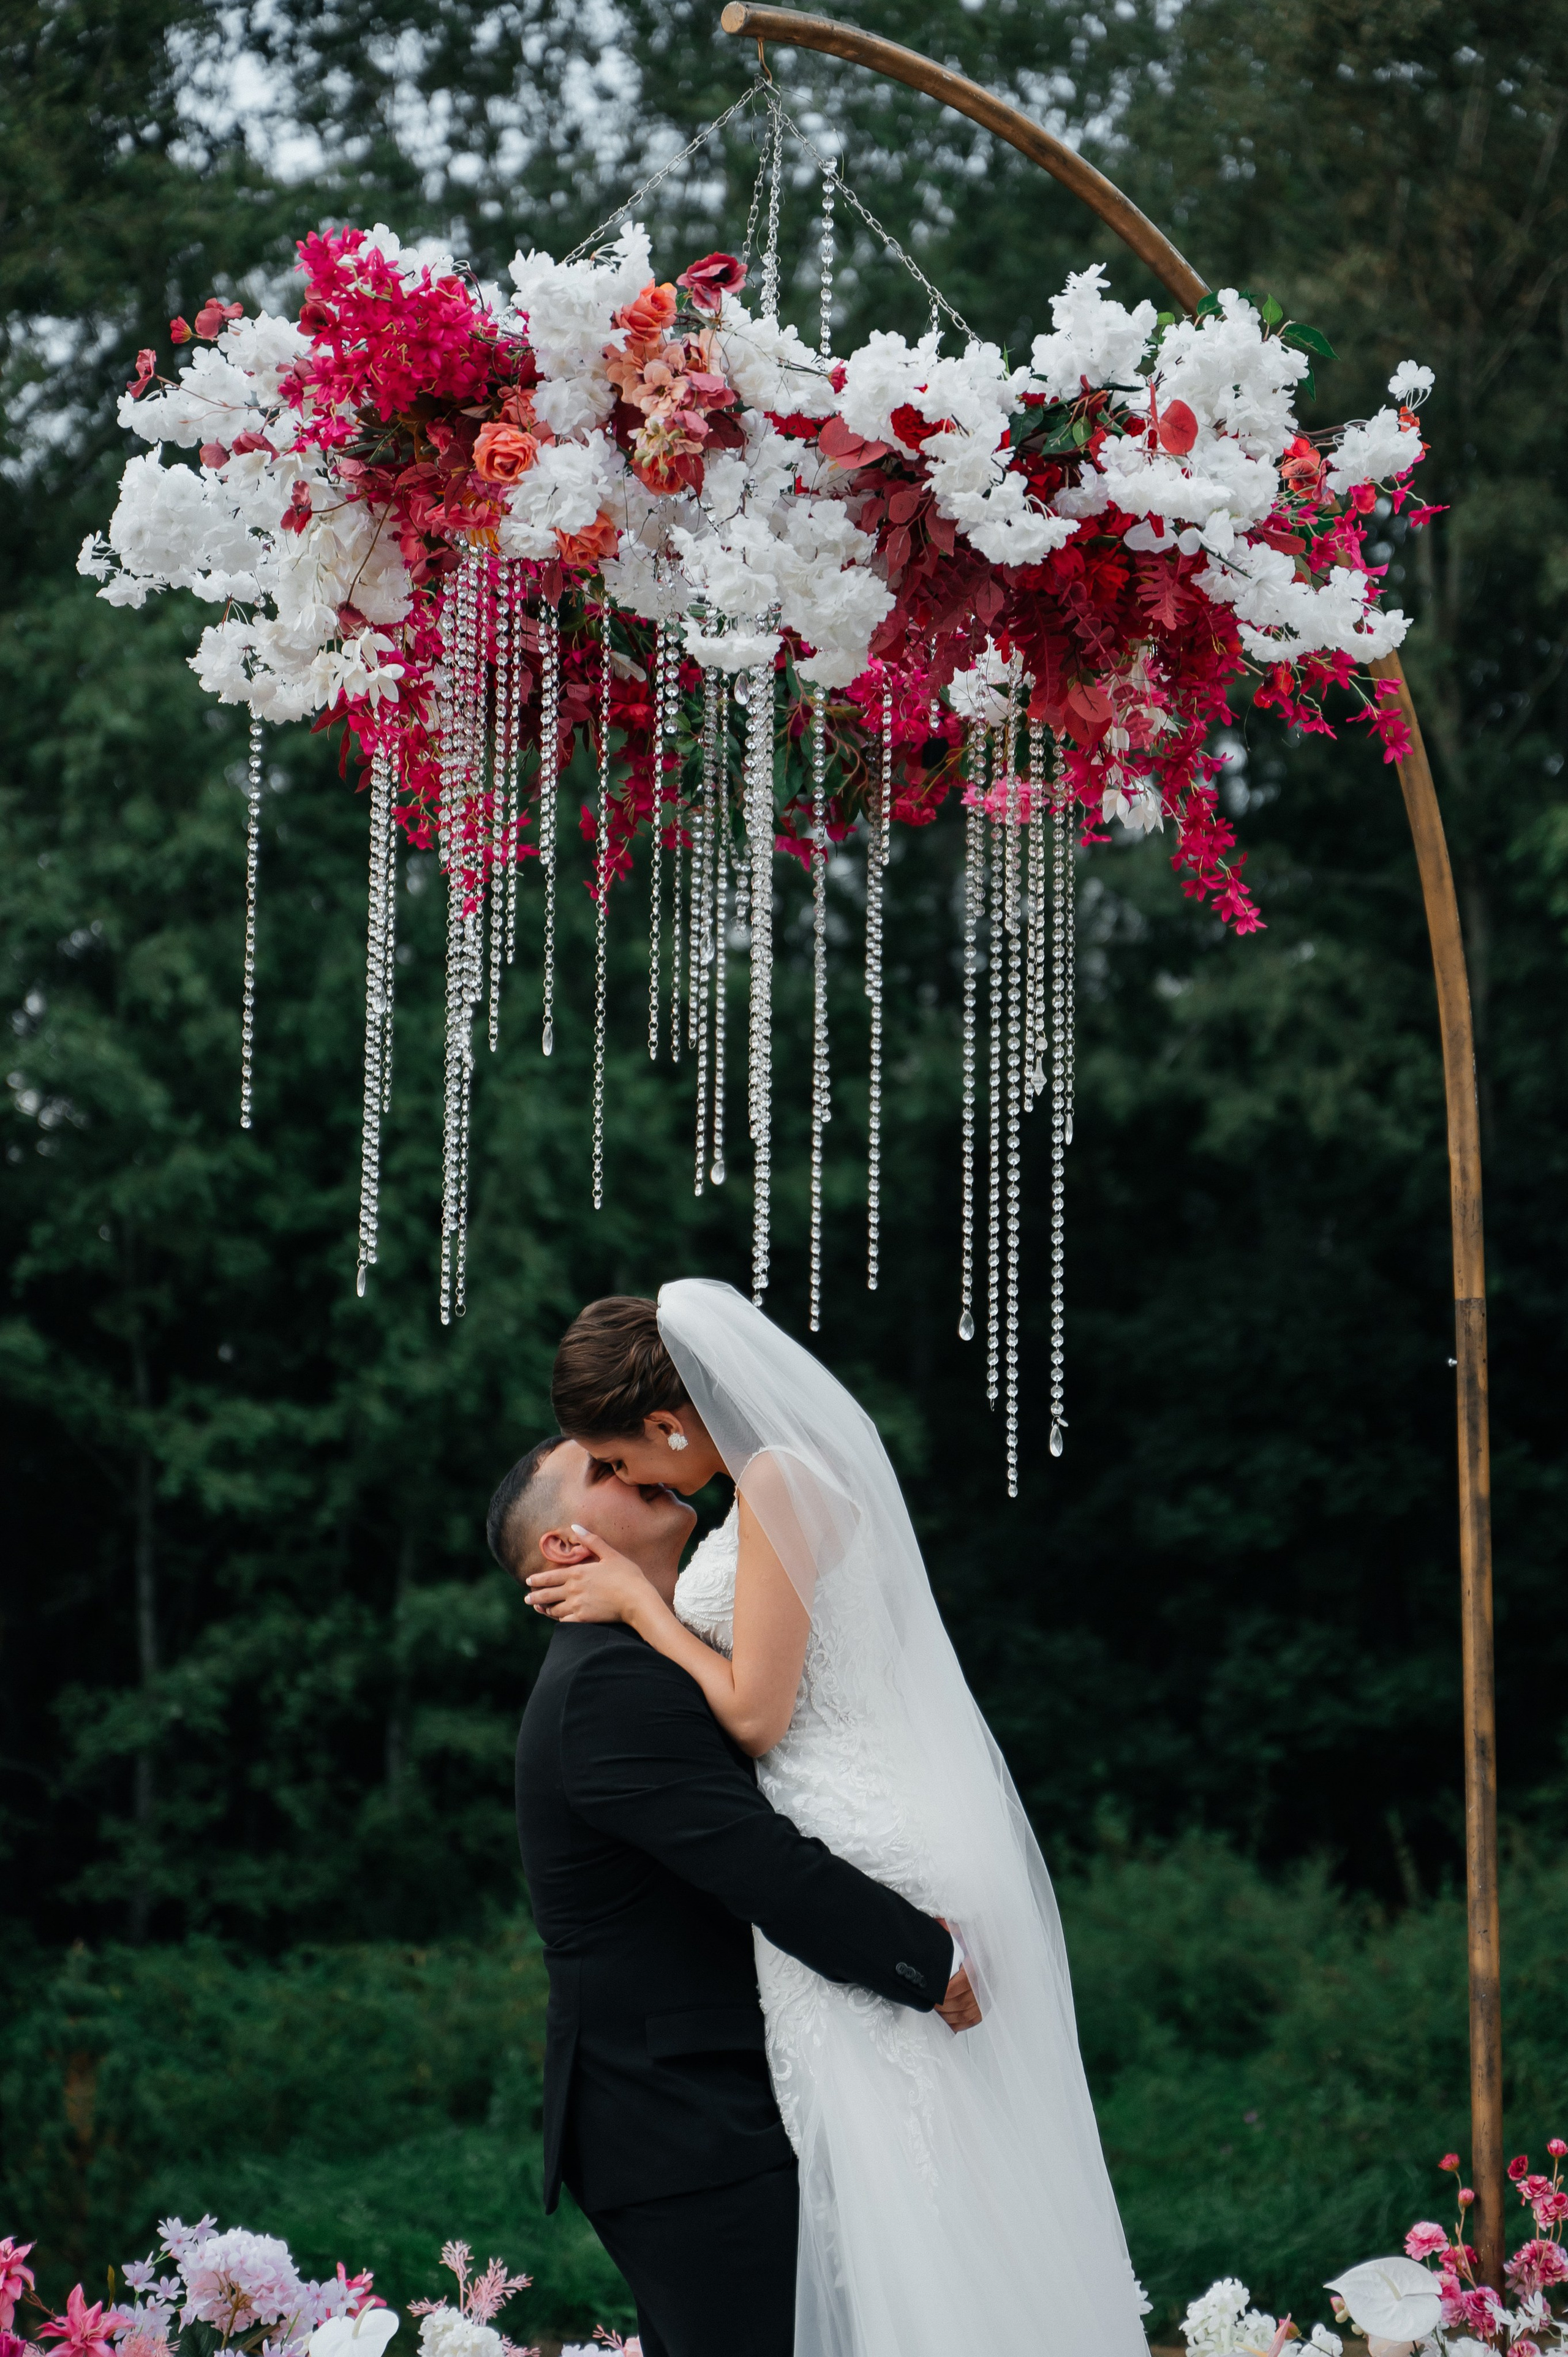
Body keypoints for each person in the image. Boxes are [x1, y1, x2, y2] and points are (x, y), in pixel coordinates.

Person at [527, 1278, 1152, 2357]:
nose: (627, 1477)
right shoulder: (757, 1490)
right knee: (891, 2189)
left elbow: (759, 1718)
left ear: (670, 1424)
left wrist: (639, 1603)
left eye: (622, 1458)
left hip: (852, 1840)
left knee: (916, 2175)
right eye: (608, 1476)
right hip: (826, 1854)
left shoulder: (776, 1481)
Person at [493, 1432, 980, 2357]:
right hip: (676, 2123)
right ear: (565, 1548)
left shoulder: (647, 1657)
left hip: (705, 2112)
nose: (633, 1467)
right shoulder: (603, 1688)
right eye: (604, 1471)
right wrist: (930, 1959)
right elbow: (760, 1864)